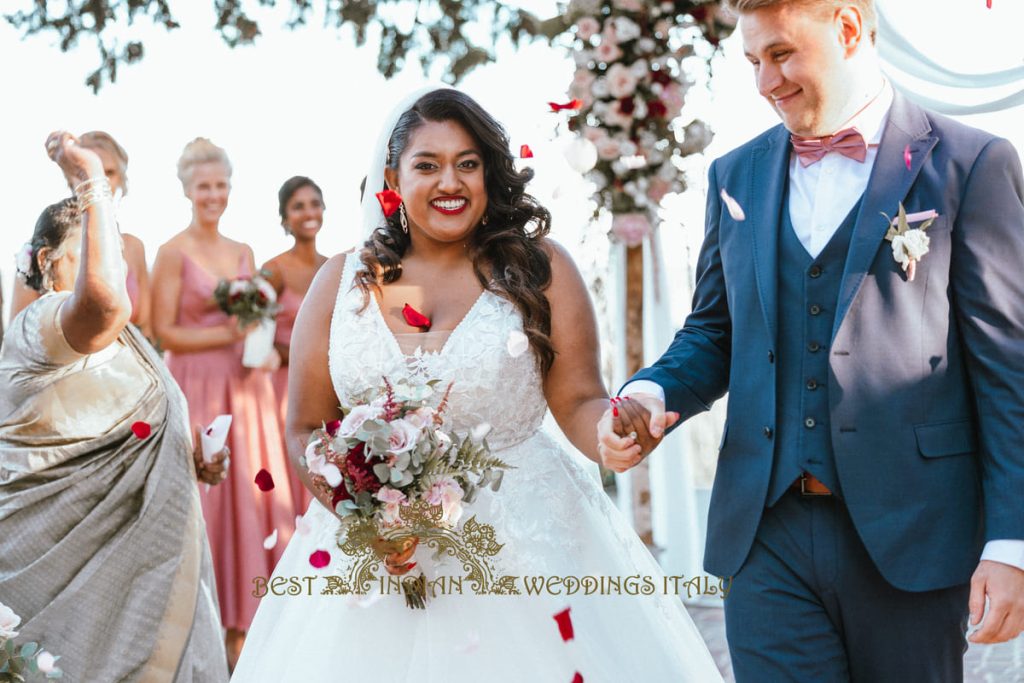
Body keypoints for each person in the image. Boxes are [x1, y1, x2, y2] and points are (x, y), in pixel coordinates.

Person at [230, 87, 723, 682]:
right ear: (392, 175)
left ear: (491, 173)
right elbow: (305, 426)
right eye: (427, 165)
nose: (450, 182)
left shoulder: (540, 269)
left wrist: (613, 434)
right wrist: (366, 520)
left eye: (468, 163)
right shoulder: (342, 282)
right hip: (371, 561)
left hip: (524, 549)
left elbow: (577, 399)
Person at [599, 1, 1024, 680]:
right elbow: (715, 329)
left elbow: (1009, 371)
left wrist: (1012, 541)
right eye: (752, 61)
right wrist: (652, 390)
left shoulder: (972, 165)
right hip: (766, 533)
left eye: (781, 54)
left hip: (912, 532)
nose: (765, 82)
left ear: (849, 28)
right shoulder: (733, 176)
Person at [0, 132, 229, 681]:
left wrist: (182, 454)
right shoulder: (42, 325)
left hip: (138, 561)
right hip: (63, 572)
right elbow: (103, 298)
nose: (113, 267)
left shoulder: (124, 340)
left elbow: (119, 416)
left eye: (116, 253)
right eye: (93, 252)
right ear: (48, 261)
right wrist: (90, 184)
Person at [150, 138, 296, 670]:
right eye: (204, 186)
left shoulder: (243, 252)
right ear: (187, 190)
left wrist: (253, 337)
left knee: (251, 498)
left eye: (221, 185)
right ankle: (198, 629)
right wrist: (226, 335)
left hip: (245, 389)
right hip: (196, 385)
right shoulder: (170, 252)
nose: (214, 195)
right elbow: (162, 330)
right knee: (206, 504)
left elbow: (258, 323)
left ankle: (250, 638)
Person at [10, 131, 152, 338]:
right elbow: (18, 331)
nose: (100, 181)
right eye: (85, 170)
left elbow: (146, 327)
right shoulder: (45, 244)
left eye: (109, 173)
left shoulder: (135, 247)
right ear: (69, 176)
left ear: (121, 180)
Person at [260, 176, 329, 515]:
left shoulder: (333, 270)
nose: (308, 212)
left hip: (323, 389)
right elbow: (257, 338)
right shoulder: (273, 270)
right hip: (282, 387)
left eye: (314, 203)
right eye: (298, 206)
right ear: (285, 218)